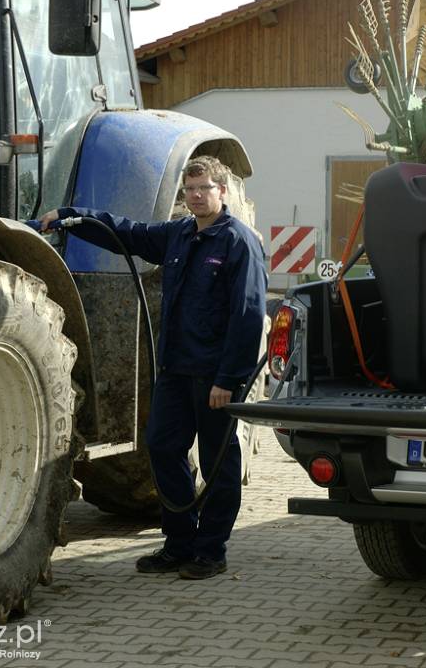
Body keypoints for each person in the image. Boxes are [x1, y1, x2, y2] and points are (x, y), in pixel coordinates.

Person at [38, 155, 267, 580]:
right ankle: (179, 543)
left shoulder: (238, 242)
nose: (196, 197)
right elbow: (126, 232)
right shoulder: (178, 234)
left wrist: (227, 380)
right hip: (175, 371)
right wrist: (72, 217)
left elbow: (248, 316)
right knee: (162, 447)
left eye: (205, 189)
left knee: (218, 460)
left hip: (213, 376)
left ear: (222, 191)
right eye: (190, 190)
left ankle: (211, 550)